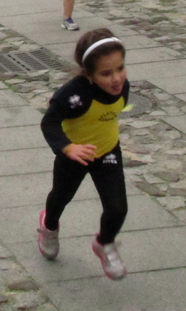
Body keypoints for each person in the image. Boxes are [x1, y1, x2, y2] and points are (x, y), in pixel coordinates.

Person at [38, 28, 130, 280]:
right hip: (74, 155)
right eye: (106, 73)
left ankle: (104, 243)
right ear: (88, 74)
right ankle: (49, 226)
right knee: (60, 198)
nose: (116, 79)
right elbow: (49, 123)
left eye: (120, 68)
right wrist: (68, 147)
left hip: (108, 151)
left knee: (117, 208)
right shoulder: (73, 94)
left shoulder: (122, 86)